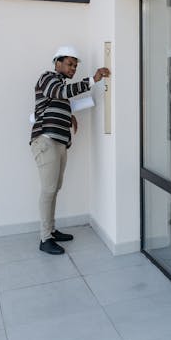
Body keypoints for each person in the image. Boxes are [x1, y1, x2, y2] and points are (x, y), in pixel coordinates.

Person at [30, 45, 110, 255]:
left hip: (58, 142)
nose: (73, 68)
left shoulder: (59, 85)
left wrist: (68, 114)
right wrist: (92, 80)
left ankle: (51, 230)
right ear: (57, 62)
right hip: (46, 141)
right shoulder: (48, 77)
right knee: (48, 190)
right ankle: (45, 238)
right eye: (69, 64)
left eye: (75, 65)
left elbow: (57, 100)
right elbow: (61, 92)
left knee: (54, 188)